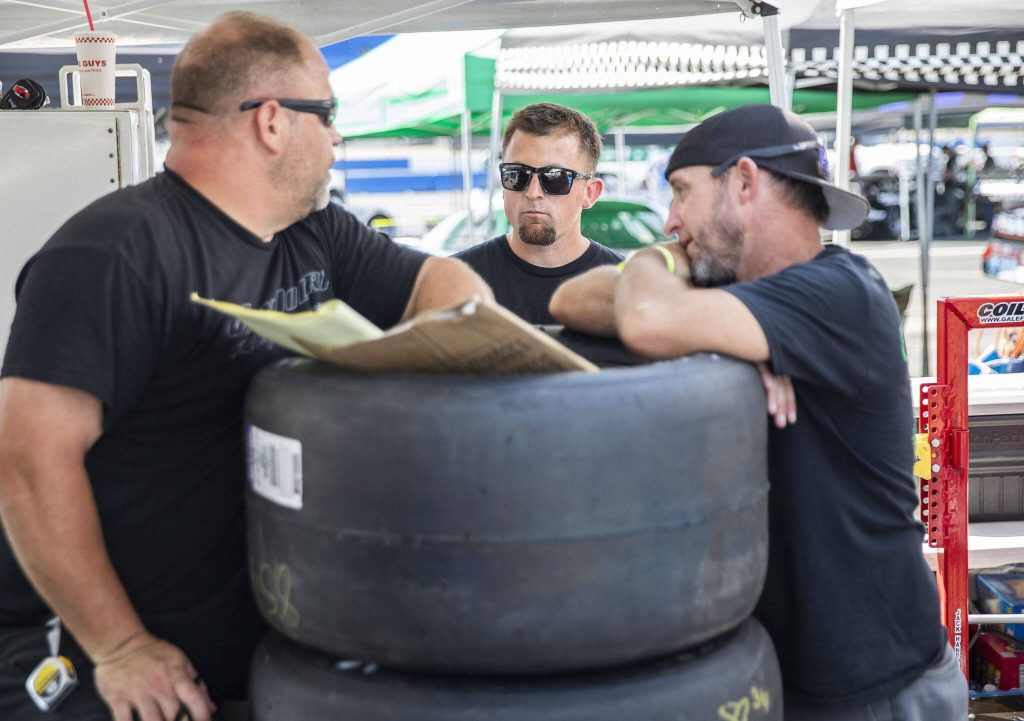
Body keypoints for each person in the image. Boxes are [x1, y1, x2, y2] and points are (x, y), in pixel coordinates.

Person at [0, 12, 491, 721]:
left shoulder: (315, 232)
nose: (337, 139)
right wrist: (120, 646)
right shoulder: (118, 253)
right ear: (272, 122)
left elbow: (441, 285)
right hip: (88, 655)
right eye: (327, 115)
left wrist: (419, 357)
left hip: (229, 659)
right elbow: (26, 462)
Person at [550, 104, 966, 720]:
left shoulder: (844, 292)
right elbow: (570, 297)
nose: (670, 220)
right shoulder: (737, 296)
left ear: (744, 182)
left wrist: (666, 279)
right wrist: (673, 266)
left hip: (878, 684)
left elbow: (645, 317)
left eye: (682, 193)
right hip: (787, 675)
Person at [454, 103, 622, 324]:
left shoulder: (623, 289)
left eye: (556, 177)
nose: (533, 193)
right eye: (517, 174)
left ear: (590, 193)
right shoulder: (456, 284)